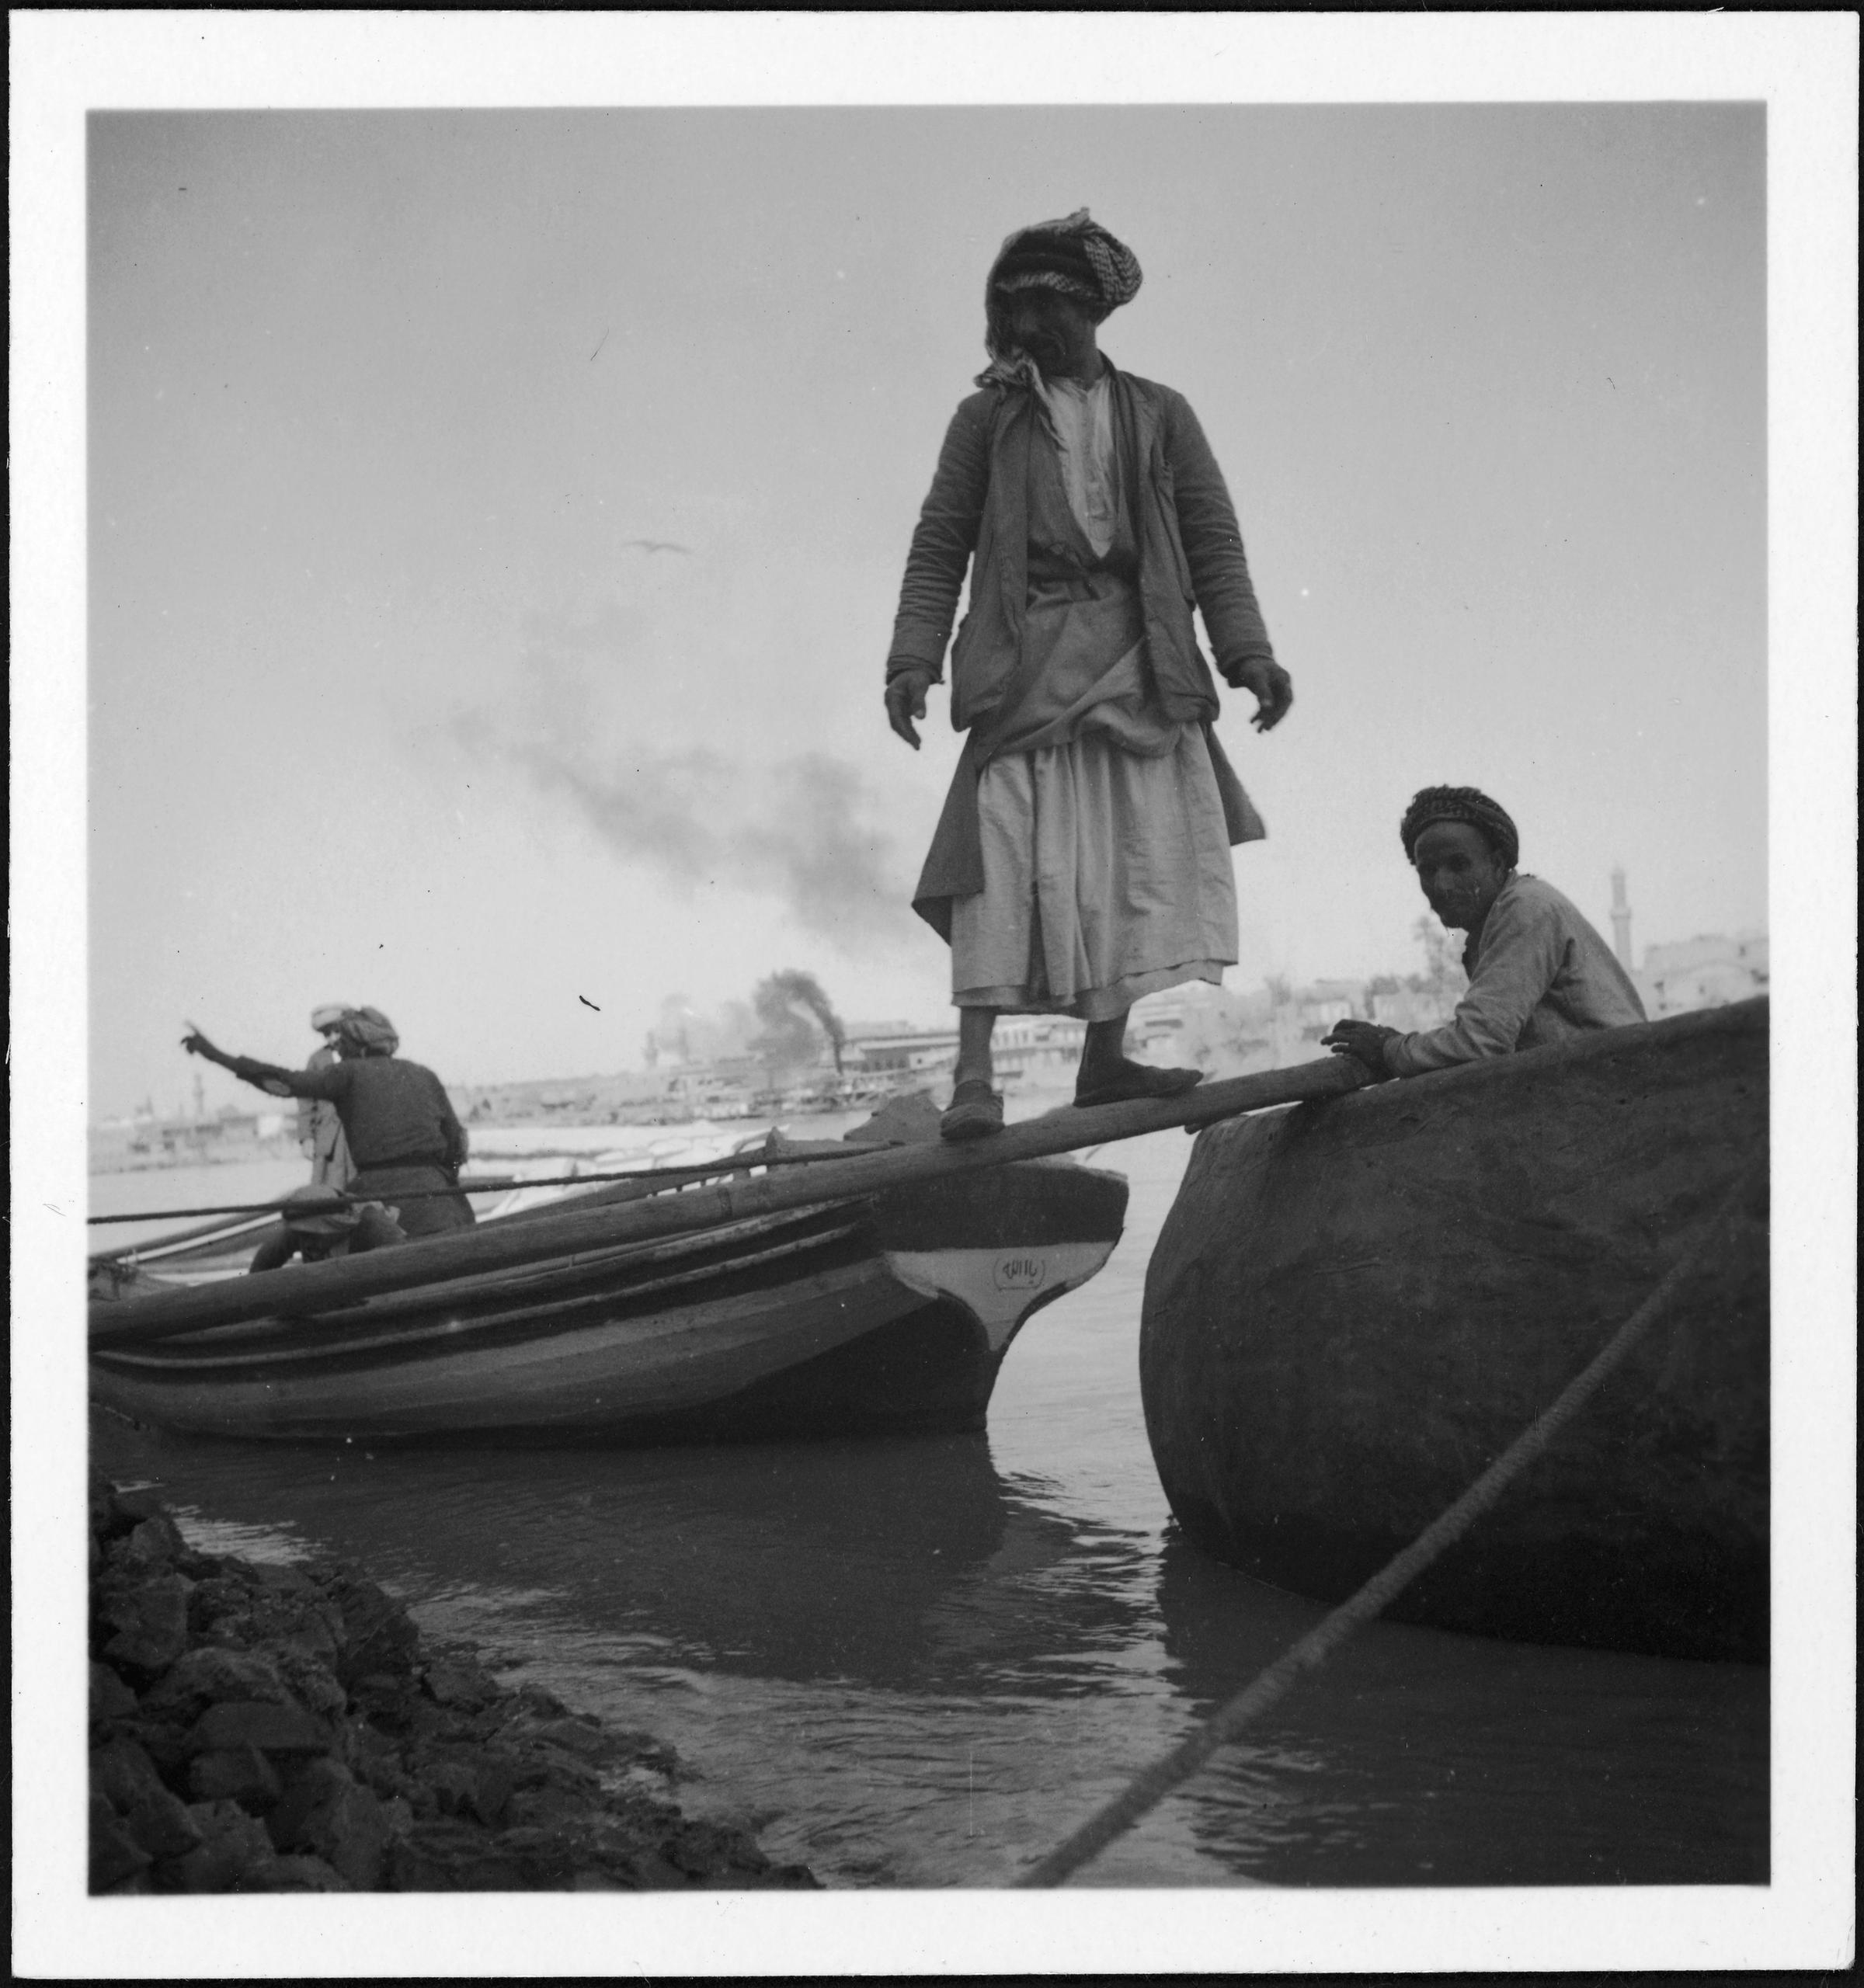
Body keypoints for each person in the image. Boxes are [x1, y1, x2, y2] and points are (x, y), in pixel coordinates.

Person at [885, 209, 1294, 1141]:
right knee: (1004, 855)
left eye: (1047, 310)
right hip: (1021, 663)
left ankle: (1105, 1060)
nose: (1028, 329)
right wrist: (913, 657)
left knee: (1130, 848)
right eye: (1014, 310)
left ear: (1093, 314)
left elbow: (1212, 542)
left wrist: (1248, 653)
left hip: (1141, 653)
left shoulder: (1161, 412)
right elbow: (940, 541)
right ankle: (974, 1077)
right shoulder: (985, 418)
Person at [1324, 786, 1647, 1082]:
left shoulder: (1526, 908)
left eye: (1459, 865)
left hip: (1620, 1090)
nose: (1442, 886)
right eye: (1428, 870)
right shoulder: (1495, 921)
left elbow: (1479, 1041)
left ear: (1496, 863)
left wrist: (1389, 1049)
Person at [183, 1006, 476, 1237]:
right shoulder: (424, 1074)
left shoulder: (346, 1073)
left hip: (383, 1202)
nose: (337, 1049)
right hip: (444, 1204)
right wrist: (445, 1181)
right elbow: (456, 1142)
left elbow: (283, 1082)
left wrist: (214, 1054)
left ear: (354, 1045)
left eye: (341, 1043)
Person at [247, 1185, 405, 1274]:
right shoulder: (301, 1229)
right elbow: (263, 1263)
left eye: (313, 1235)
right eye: (303, 1235)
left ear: (334, 1227)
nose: (306, 1242)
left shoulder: (375, 1229)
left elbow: (401, 1271)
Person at [300, 1003, 356, 1190]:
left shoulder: (359, 1057)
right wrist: (307, 1138)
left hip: (356, 1135)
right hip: (328, 1137)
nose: (333, 1038)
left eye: (336, 1032)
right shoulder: (317, 1060)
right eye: (327, 1034)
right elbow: (306, 1102)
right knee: (327, 1188)